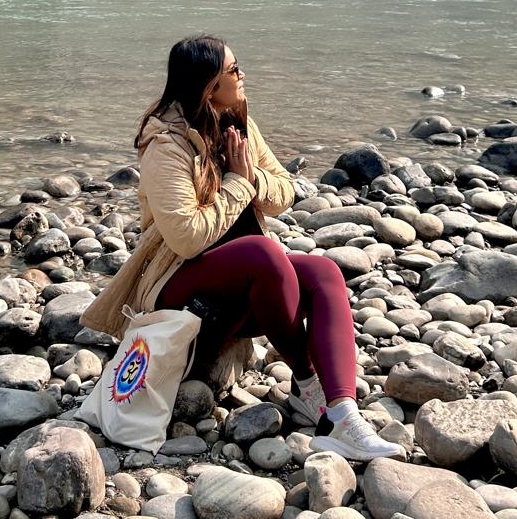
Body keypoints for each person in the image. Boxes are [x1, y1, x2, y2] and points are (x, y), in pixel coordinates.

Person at [81, 35, 403, 462]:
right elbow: (186, 237)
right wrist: (237, 183)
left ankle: (340, 410)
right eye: (233, 70)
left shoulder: (239, 124)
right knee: (263, 254)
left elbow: (284, 191)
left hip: (248, 285)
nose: (242, 74)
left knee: (324, 272)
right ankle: (309, 382)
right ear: (208, 87)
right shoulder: (166, 145)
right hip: (179, 292)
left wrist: (250, 177)